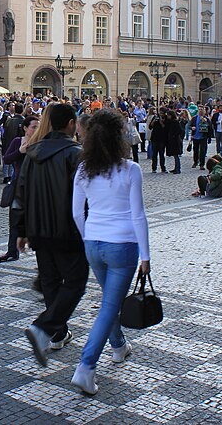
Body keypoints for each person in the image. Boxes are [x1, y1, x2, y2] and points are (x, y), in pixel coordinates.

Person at [70, 109, 151, 395]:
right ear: (119, 138)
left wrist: (87, 237)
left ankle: (118, 346)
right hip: (122, 246)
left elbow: (77, 213)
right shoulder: (130, 169)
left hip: (94, 242)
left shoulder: (83, 169)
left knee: (109, 301)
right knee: (108, 306)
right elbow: (138, 215)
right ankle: (86, 366)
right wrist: (146, 255)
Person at [14, 103, 89, 367]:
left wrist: (22, 230)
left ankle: (57, 334)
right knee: (77, 281)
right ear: (70, 124)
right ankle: (44, 328)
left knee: (51, 282)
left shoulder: (33, 152)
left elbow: (20, 192)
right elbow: (84, 198)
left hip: (38, 229)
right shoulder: (76, 154)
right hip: (67, 229)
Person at [0, 116, 39, 263]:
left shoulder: (41, 143)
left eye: (38, 126)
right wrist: (20, 151)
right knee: (15, 218)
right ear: (25, 128)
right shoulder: (17, 141)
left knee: (36, 218)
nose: (36, 129)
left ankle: (40, 250)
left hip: (35, 186)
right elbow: (7, 159)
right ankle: (12, 250)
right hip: (18, 185)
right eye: (33, 126)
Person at [148, 108, 168, 173]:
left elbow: (166, 128)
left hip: (162, 139)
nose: (160, 114)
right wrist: (154, 121)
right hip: (154, 138)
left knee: (162, 154)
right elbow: (150, 127)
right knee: (154, 154)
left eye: (162, 113)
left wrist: (161, 122)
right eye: (160, 112)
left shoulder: (166, 118)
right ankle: (154, 168)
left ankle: (163, 168)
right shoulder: (155, 117)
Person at [165, 109, 183, 174]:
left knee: (176, 155)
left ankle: (178, 169)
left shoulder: (175, 122)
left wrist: (174, 135)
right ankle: (176, 168)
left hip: (175, 140)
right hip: (173, 140)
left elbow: (180, 130)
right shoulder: (171, 121)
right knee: (175, 155)